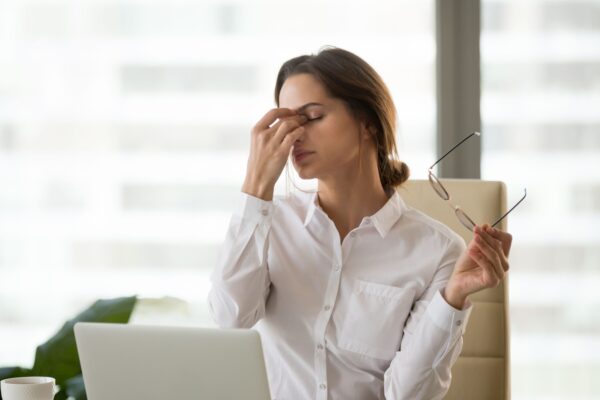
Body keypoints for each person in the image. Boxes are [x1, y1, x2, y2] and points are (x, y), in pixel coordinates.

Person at [207, 46, 512, 400]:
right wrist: (256, 187)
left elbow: (408, 395)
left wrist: (452, 299)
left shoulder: (438, 251)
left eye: (312, 117)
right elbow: (231, 319)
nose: (294, 137)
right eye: (287, 123)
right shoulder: (267, 223)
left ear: (367, 122)